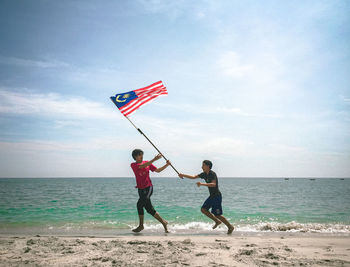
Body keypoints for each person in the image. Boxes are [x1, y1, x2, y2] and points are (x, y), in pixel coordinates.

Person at [179, 160, 234, 234]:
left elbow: (213, 184)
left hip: (217, 196)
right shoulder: (204, 174)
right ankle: (217, 221)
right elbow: (193, 177)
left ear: (208, 166)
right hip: (212, 196)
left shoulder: (212, 174)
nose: (201, 167)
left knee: (217, 214)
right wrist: (183, 175)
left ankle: (230, 226)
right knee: (203, 209)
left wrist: (202, 184)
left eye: (203, 165)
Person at [130, 149, 170, 233]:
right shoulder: (133, 165)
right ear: (135, 157)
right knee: (149, 209)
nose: (141, 156)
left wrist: (167, 165)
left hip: (148, 188)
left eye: (142, 154)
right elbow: (142, 166)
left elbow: (158, 170)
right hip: (140, 189)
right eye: (139, 155)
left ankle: (141, 226)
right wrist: (154, 159)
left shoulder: (147, 162)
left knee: (139, 204)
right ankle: (164, 222)